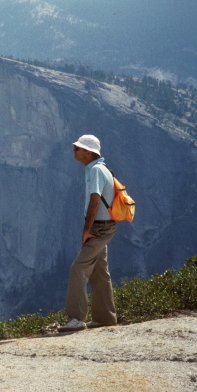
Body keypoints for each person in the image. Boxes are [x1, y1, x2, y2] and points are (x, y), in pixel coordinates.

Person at [58, 135, 118, 332]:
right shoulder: (96, 169)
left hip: (99, 228)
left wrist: (86, 231)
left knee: (78, 269)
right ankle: (105, 318)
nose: (74, 151)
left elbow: (94, 201)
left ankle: (76, 318)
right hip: (103, 226)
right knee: (100, 272)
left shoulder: (96, 170)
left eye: (77, 148)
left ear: (88, 153)